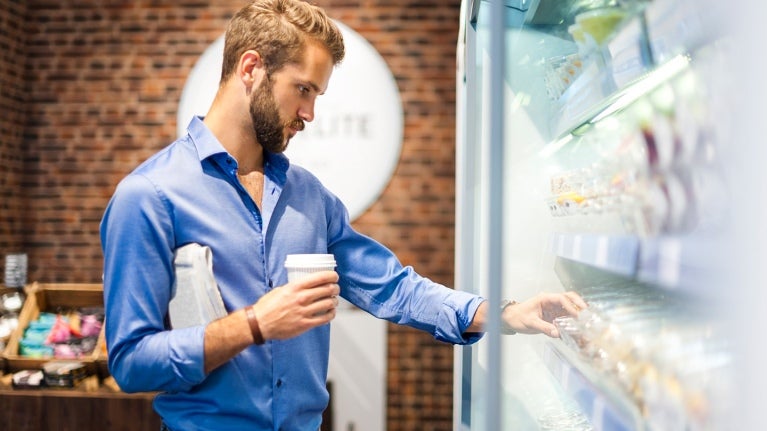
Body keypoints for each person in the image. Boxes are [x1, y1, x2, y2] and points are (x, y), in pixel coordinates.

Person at [99, 1, 588, 430]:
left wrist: (502, 315)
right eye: (303, 90)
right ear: (251, 68)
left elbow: (394, 287)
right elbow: (131, 362)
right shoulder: (149, 197)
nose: (310, 113)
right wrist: (254, 324)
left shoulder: (310, 198)